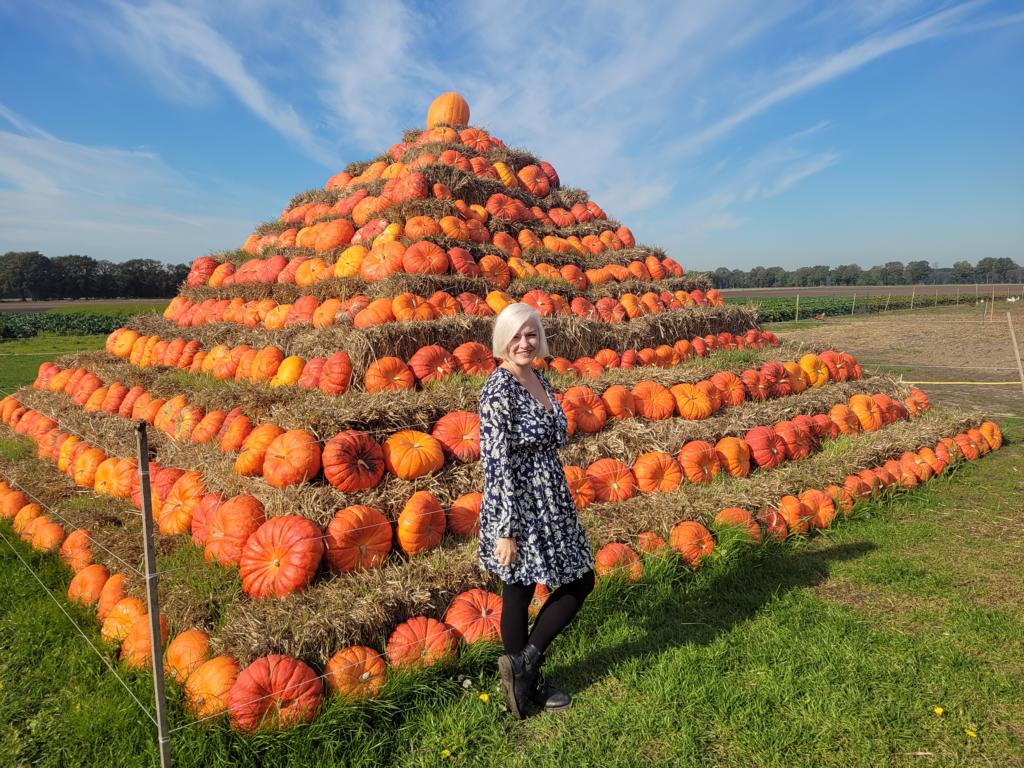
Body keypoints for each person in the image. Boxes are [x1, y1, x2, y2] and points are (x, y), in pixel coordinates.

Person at [477, 302, 596, 719]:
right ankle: (526, 684)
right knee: (519, 588)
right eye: (516, 335)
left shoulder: (537, 377)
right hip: (519, 502)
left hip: (551, 497)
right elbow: (496, 464)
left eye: (531, 334)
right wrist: (505, 529)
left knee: (580, 579)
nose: (524, 342)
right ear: (502, 340)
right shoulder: (498, 390)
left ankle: (522, 669)